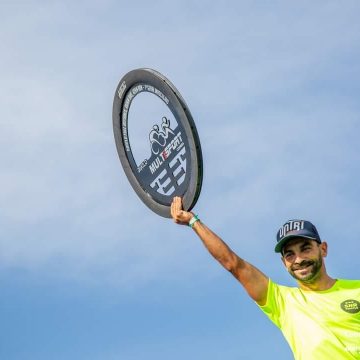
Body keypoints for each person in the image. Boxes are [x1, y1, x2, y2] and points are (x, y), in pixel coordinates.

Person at [170, 197, 360, 360]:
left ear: (323, 249)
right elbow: (234, 264)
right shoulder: (282, 302)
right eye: (290, 255)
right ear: (283, 262)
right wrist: (193, 221)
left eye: (305, 248)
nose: (299, 259)